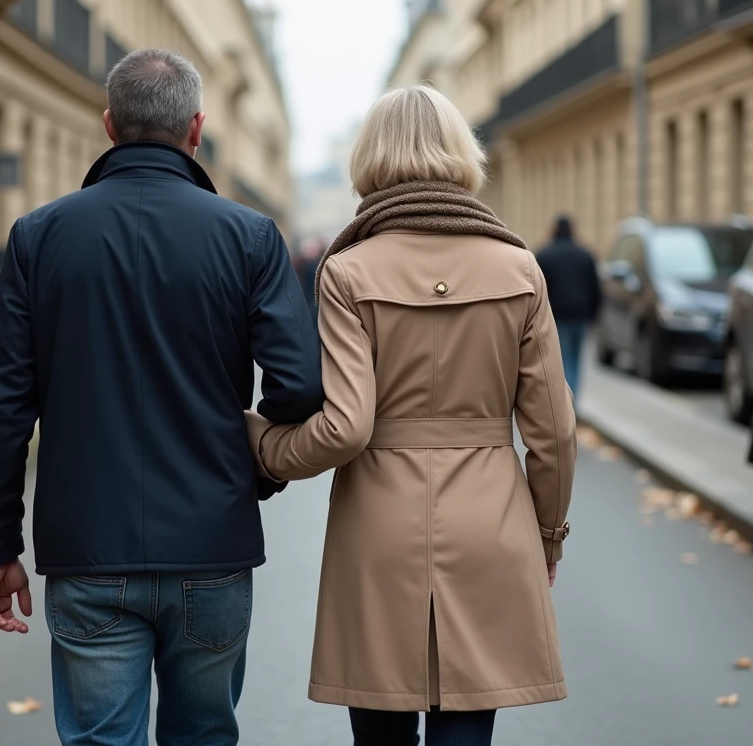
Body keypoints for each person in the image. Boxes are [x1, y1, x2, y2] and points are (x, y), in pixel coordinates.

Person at [0, 49, 323, 746]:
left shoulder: (39, 236)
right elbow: (300, 386)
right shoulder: (249, 236)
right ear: (196, 128)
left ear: (109, 126)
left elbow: (2, 404)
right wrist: (258, 472)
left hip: (86, 547)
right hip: (212, 543)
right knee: (204, 736)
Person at [246, 86, 576, 746]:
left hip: (379, 522)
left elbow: (345, 427)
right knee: (467, 729)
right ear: (462, 154)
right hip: (492, 518)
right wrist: (547, 532)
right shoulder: (518, 267)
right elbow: (554, 432)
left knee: (381, 733)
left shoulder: (346, 269)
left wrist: (260, 442)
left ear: (370, 159)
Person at [535, 214, 601, 400]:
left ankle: (565, 402)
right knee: (576, 360)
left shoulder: (544, 255)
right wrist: (593, 316)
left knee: (561, 360)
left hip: (556, 316)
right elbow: (595, 288)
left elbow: (539, 289)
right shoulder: (585, 255)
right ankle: (573, 401)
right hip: (580, 315)